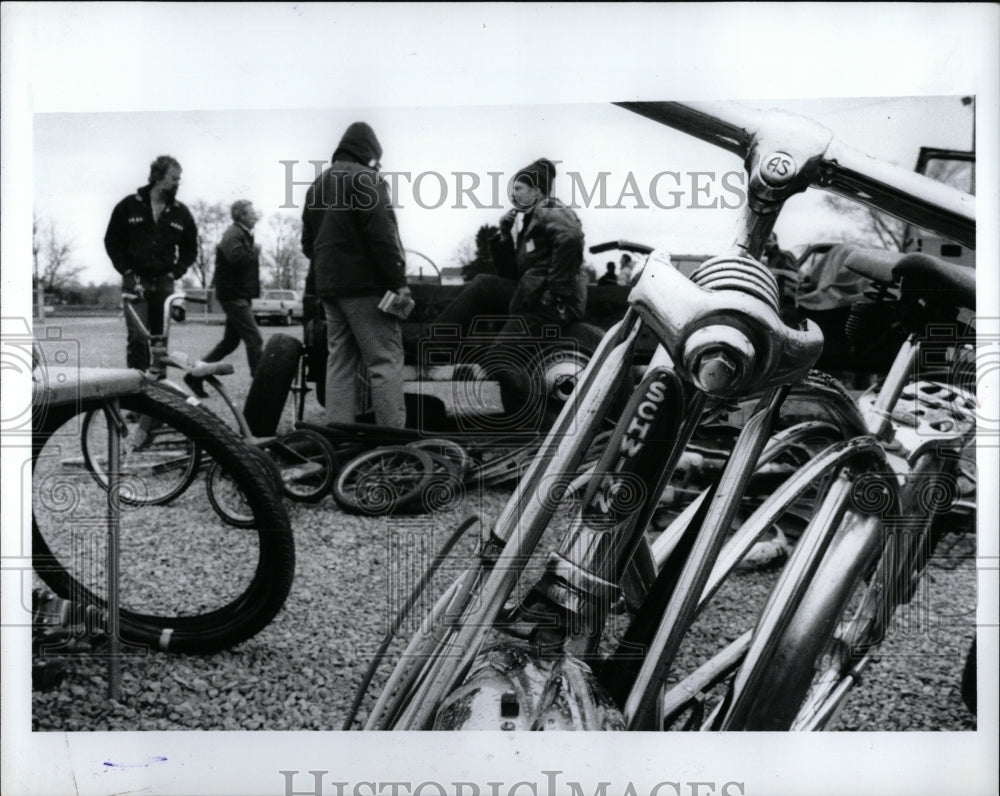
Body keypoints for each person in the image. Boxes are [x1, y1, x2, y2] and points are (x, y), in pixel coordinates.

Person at [423, 157, 586, 425]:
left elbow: (570, 238)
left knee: (499, 357)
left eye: (520, 187)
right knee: (483, 285)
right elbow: (511, 275)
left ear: (538, 191)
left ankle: (545, 421)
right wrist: (504, 235)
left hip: (549, 303)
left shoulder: (548, 209)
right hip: (530, 297)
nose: (513, 193)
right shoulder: (530, 220)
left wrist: (556, 292)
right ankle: (439, 342)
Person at [302, 121, 410, 429]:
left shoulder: (317, 185)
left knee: (339, 363)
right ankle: (393, 444)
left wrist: (334, 270)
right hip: (368, 290)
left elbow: (308, 244)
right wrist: (398, 283)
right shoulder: (367, 179)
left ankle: (338, 438)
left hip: (330, 292)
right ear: (369, 153)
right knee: (384, 361)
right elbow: (383, 237)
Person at [104, 155, 198, 370]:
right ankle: (136, 387)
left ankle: (159, 388)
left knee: (160, 338)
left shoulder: (181, 213)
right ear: (158, 177)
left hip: (164, 283)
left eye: (179, 179)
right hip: (135, 281)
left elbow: (190, 248)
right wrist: (125, 269)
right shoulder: (128, 206)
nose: (178, 183)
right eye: (174, 179)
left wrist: (176, 272)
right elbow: (111, 240)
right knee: (137, 337)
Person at [184, 200, 264, 398]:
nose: (256, 216)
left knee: (230, 342)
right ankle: (262, 387)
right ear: (241, 216)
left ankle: (195, 375)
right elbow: (235, 258)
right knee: (254, 339)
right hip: (233, 295)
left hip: (238, 294)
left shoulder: (241, 233)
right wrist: (255, 251)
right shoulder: (233, 234)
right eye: (252, 213)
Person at [762, 232, 801, 325]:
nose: (767, 244)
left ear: (775, 241)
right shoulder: (764, 255)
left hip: (781, 295)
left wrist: (773, 271)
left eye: (769, 241)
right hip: (768, 293)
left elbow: (795, 276)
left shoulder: (784, 255)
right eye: (765, 241)